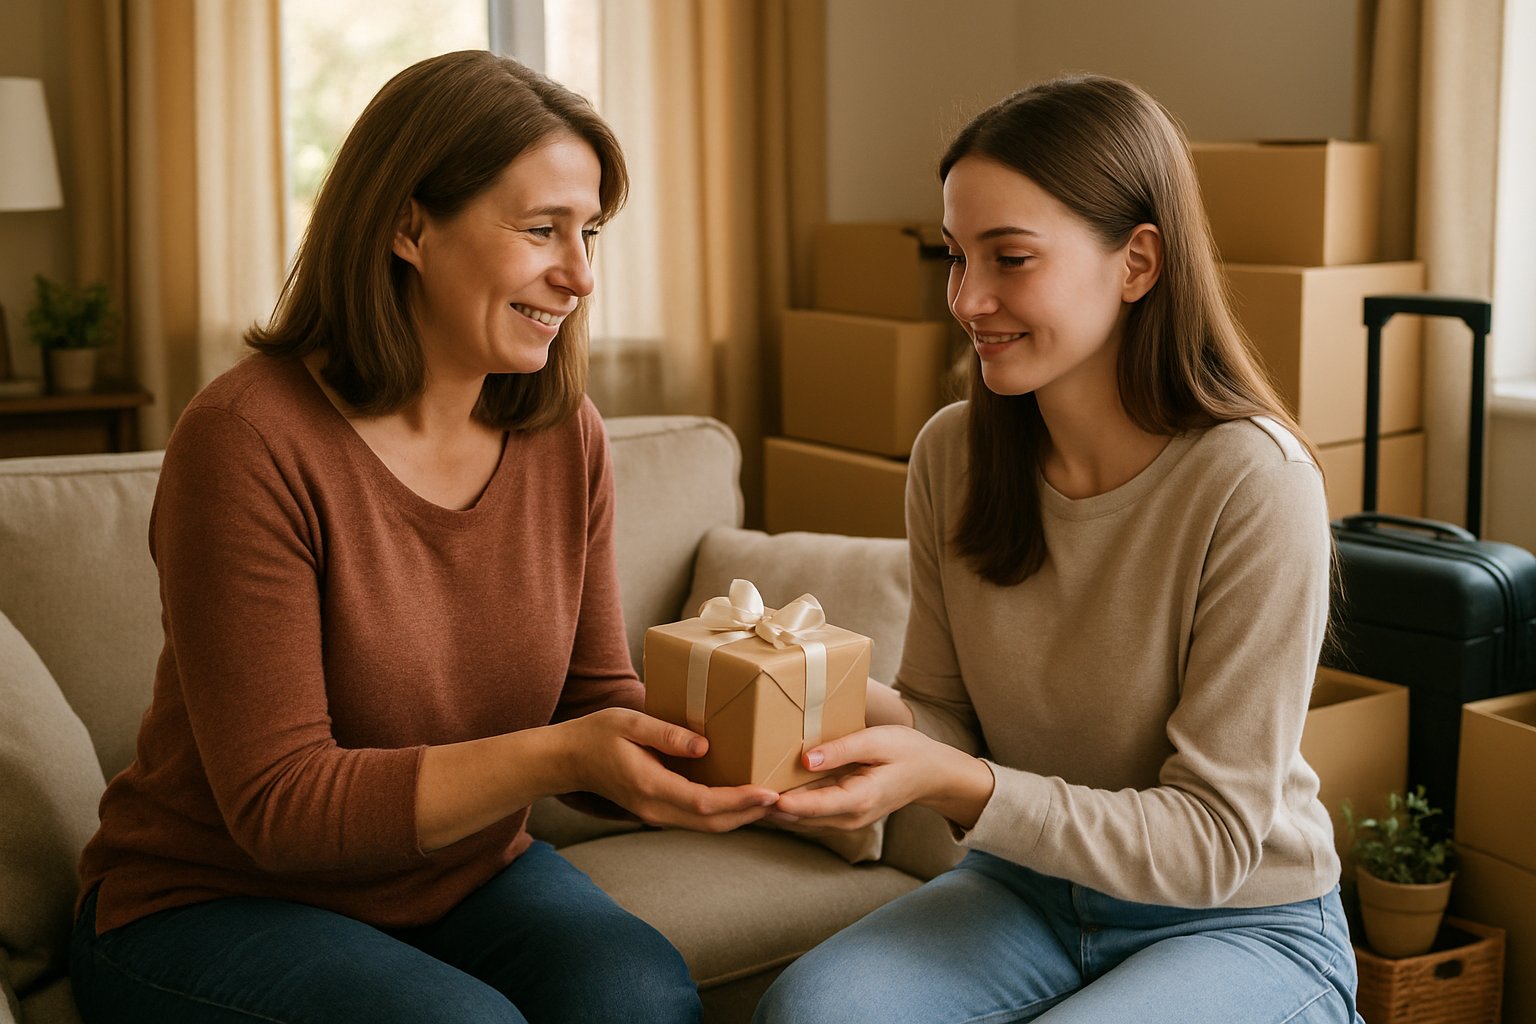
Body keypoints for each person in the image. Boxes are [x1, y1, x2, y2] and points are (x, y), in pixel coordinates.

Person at [68, 50, 777, 1024]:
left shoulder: (565, 434)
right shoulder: (247, 440)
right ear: (409, 225)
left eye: (591, 234)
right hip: (209, 900)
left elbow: (597, 699)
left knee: (640, 998)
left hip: (463, 877)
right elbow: (282, 806)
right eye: (542, 230)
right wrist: (565, 757)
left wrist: (776, 731)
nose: (578, 275)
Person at [755, 75, 1363, 1023]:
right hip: (1030, 889)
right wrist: (809, 691)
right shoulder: (953, 453)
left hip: (1238, 918)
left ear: (1138, 262)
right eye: (957, 258)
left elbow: (1209, 841)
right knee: (813, 1012)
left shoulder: (1255, 481)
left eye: (1012, 258)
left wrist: (958, 782)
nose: (968, 299)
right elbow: (947, 718)